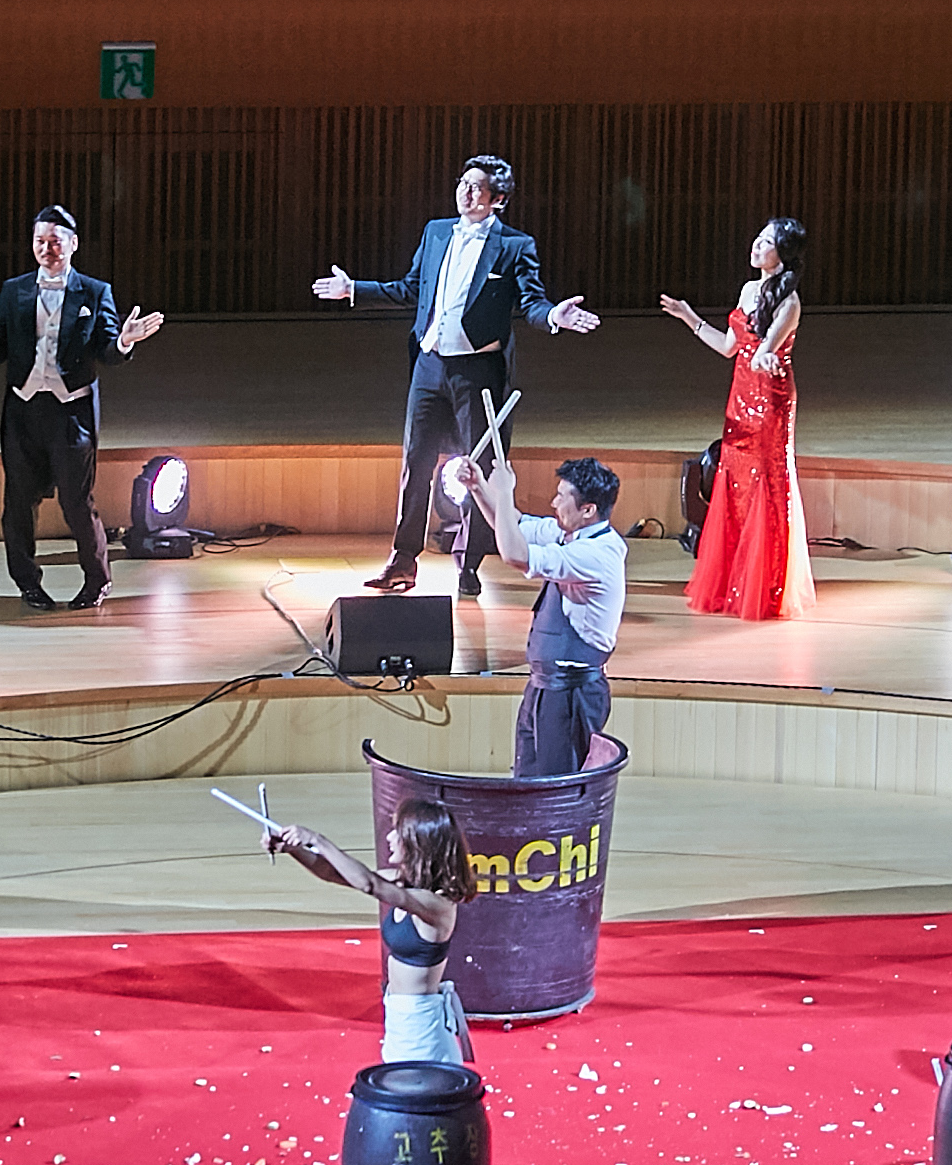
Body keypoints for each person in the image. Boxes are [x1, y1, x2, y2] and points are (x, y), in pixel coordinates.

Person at [312, 154, 601, 598]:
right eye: (463, 184)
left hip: (478, 369)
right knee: (416, 462)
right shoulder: (436, 231)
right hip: (429, 365)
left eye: (477, 187)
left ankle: (469, 564)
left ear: (497, 199)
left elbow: (531, 303)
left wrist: (555, 317)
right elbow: (411, 288)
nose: (466, 193)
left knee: (480, 470)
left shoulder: (515, 245)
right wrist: (355, 289)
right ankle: (402, 560)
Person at [0, 204, 167, 611]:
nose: (47, 248)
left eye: (55, 241)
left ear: (73, 244)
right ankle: (27, 583)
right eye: (39, 241)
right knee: (18, 503)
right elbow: (0, 349)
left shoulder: (94, 291)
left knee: (76, 501)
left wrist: (125, 341)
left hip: (71, 412)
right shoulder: (14, 290)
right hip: (23, 409)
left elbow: (106, 352)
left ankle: (97, 580)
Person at [661, 217, 813, 620]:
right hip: (739, 397)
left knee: (765, 484)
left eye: (766, 242)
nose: (756, 245)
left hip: (770, 401)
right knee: (735, 483)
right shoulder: (748, 290)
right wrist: (690, 319)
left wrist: (766, 355)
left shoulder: (790, 301)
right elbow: (731, 347)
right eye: (758, 238)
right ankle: (734, 580)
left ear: (783, 252)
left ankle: (765, 587)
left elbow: (767, 347)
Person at [261, 797, 475, 1064]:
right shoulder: (403, 881)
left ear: (419, 843)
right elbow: (332, 873)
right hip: (399, 1016)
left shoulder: (438, 905)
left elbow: (369, 885)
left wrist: (317, 839)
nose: (390, 837)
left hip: (420, 1025)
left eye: (399, 832)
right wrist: (294, 849)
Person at [459, 451, 630, 775]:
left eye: (561, 497)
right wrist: (479, 487)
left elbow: (514, 553)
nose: (553, 503)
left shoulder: (596, 554)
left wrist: (506, 490)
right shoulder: (568, 533)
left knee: (555, 788)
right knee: (528, 782)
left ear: (588, 509)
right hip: (544, 687)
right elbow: (512, 526)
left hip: (571, 692)